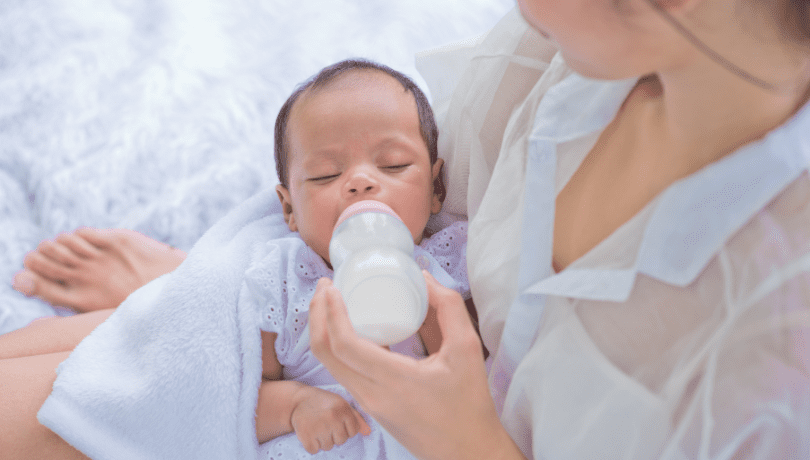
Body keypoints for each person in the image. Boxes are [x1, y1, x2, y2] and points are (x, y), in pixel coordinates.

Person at [4, 0, 810, 458]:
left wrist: (466, 440)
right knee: (84, 341)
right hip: (290, 331)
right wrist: (232, 290)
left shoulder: (770, 355)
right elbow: (411, 192)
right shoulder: (562, 55)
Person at [1, 58, 470, 458]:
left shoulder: (451, 268)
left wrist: (428, 313)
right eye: (326, 175)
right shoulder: (283, 283)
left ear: (436, 188)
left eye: (393, 165)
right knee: (109, 345)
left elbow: (478, 375)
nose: (361, 182)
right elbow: (233, 389)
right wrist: (294, 405)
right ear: (289, 209)